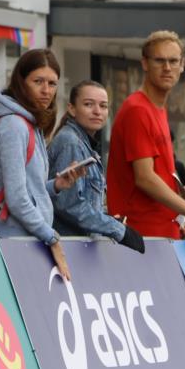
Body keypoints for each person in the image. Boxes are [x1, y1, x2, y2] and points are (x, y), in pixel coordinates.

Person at [106, 30, 185, 252]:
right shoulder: (137, 109)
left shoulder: (157, 109)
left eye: (173, 61)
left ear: (182, 65)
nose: (167, 68)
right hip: (139, 238)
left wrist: (180, 225)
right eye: (159, 60)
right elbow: (145, 178)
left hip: (159, 236)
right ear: (144, 63)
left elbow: (163, 176)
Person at [0, 48, 84, 280]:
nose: (46, 90)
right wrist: (51, 237)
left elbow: (27, 191)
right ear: (21, 82)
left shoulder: (30, 124)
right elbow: (16, 198)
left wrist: (54, 185)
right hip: (12, 242)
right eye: (38, 81)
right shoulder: (13, 126)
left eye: (52, 83)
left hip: (26, 240)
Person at [47, 80, 144, 252]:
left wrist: (109, 220)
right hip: (68, 248)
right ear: (71, 108)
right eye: (88, 104)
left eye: (103, 106)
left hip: (80, 248)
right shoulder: (71, 142)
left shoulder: (84, 144)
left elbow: (86, 203)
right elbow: (70, 205)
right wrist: (119, 230)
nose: (97, 111)